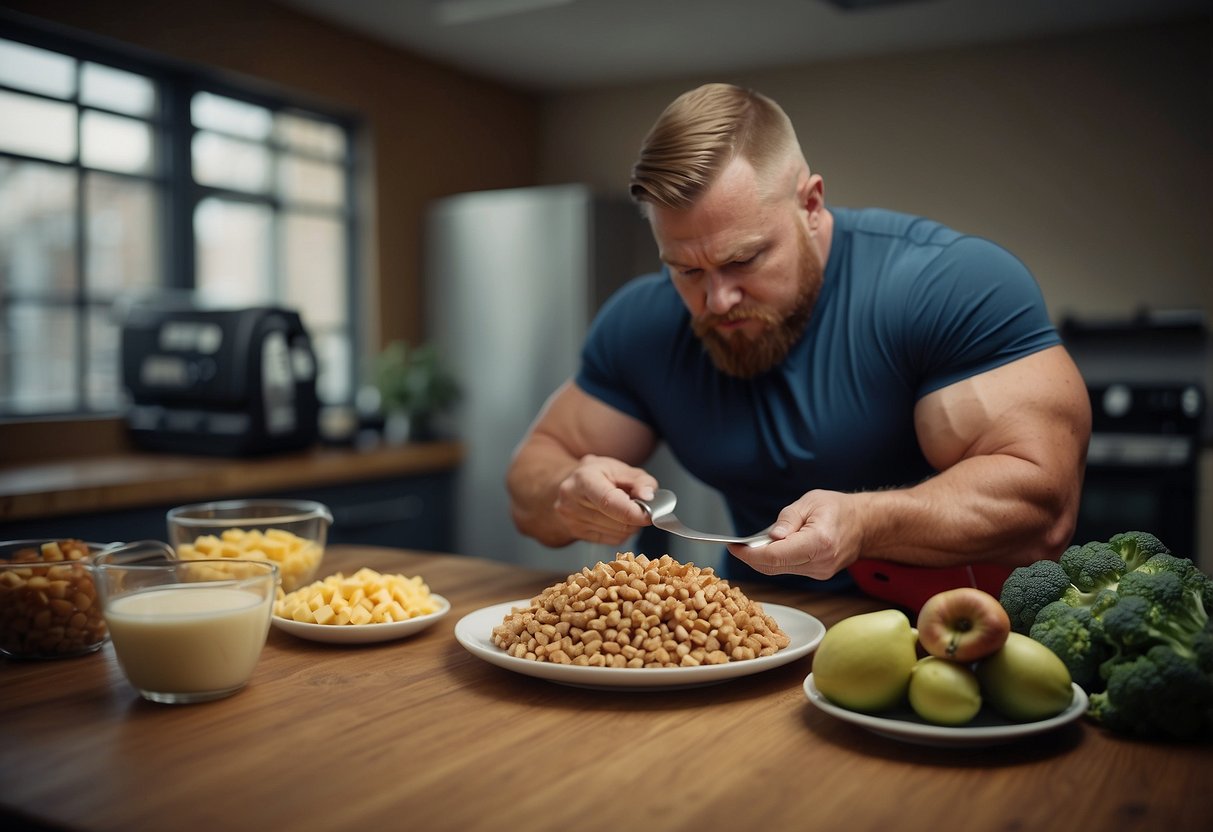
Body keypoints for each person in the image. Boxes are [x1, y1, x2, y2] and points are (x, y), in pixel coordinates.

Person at [505, 83, 1091, 610]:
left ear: (810, 205)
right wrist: (568, 493)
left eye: (743, 259)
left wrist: (865, 523)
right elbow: (533, 476)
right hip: (760, 630)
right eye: (685, 269)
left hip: (953, 633)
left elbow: (1042, 508)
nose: (717, 299)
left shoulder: (947, 283)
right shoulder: (643, 322)